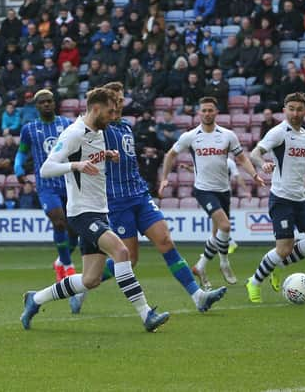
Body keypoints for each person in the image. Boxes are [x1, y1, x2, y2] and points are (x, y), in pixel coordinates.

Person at [20, 87, 170, 333]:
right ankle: (146, 315)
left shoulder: (98, 131)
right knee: (122, 252)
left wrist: (105, 156)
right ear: (96, 109)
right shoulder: (74, 133)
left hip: (100, 211)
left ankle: (35, 299)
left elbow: (91, 156)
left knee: (91, 279)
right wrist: (76, 165)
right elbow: (47, 168)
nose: (114, 116)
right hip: (81, 213)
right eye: (110, 112)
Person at [71, 82, 227, 314]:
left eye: (122, 100)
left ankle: (198, 296)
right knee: (130, 259)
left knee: (165, 241)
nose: (120, 104)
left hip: (140, 196)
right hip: (117, 201)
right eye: (115, 100)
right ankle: (83, 285)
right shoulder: (96, 130)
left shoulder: (126, 127)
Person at [159, 97, 264, 289]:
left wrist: (254, 175)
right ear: (199, 113)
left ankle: (201, 266)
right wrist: (165, 177)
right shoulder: (190, 136)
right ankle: (224, 263)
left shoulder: (228, 135)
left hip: (224, 190)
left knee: (217, 233)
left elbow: (241, 158)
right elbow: (170, 154)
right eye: (204, 110)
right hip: (203, 190)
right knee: (225, 226)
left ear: (216, 112)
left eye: (210, 110)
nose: (207, 113)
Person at [246, 93, 305, 303]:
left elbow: (297, 166)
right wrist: (262, 163)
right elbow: (254, 153)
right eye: (291, 108)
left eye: (299, 109)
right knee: (284, 248)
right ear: (284, 110)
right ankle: (254, 282)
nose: (295, 112)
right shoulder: (279, 132)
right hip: (281, 199)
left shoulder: (304, 135)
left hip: (300, 197)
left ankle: (277, 265)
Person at [14, 90, 79, 283]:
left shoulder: (67, 125)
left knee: (74, 230)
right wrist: (18, 167)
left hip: (69, 183)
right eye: (42, 102)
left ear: (54, 103)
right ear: (37, 106)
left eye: (50, 101)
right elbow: (22, 152)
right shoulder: (29, 129)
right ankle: (68, 268)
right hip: (46, 185)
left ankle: (60, 260)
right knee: (59, 221)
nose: (47, 105)